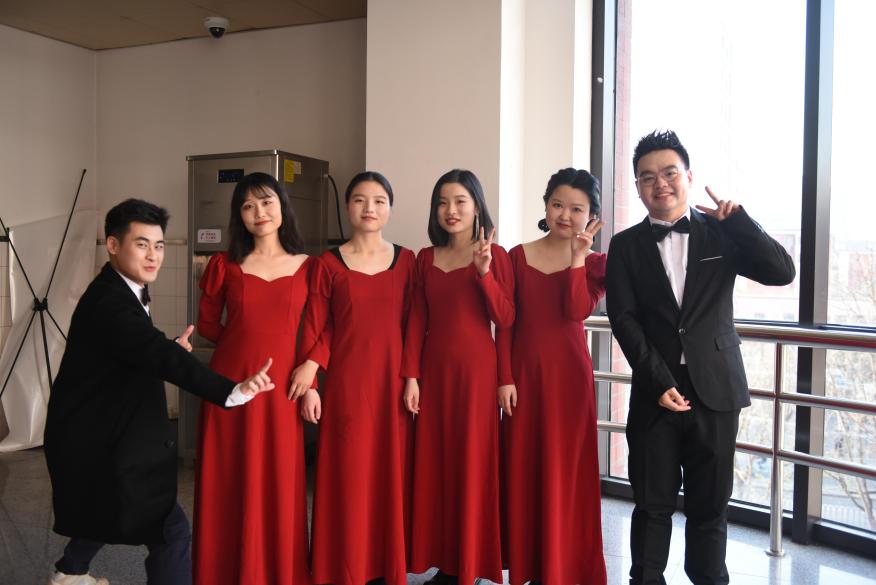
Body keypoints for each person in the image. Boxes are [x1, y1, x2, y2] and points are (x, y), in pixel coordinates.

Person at [44, 198, 274, 585]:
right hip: (99, 441)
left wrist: (168, 349)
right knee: (171, 531)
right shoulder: (110, 301)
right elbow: (151, 350)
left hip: (104, 434)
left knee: (111, 507)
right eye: (142, 245)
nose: (153, 256)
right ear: (113, 245)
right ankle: (69, 573)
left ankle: (69, 572)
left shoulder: (123, 288)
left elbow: (137, 349)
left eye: (159, 245)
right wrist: (231, 390)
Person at [605, 130, 796, 585]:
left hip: (716, 390)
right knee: (651, 506)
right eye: (647, 177)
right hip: (655, 392)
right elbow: (624, 319)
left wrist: (740, 221)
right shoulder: (625, 245)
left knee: (710, 508)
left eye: (669, 173)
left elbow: (782, 271)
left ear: (688, 177)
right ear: (638, 187)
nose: (660, 183)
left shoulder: (722, 234)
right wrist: (657, 380)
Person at [290, 171, 415, 585]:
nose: (369, 208)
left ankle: (382, 568)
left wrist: (412, 376)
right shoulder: (327, 264)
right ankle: (343, 568)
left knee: (388, 476)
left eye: (379, 201)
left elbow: (415, 324)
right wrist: (311, 382)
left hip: (393, 385)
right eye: (360, 200)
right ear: (347, 207)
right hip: (346, 385)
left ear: (390, 209)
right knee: (348, 475)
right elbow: (318, 325)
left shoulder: (407, 261)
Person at [192, 173, 312, 585]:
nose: (258, 212)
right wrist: (242, 351)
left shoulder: (310, 267)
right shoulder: (224, 264)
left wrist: (310, 369)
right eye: (247, 206)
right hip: (229, 387)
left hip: (282, 389)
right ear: (238, 216)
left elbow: (321, 328)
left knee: (278, 480)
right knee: (228, 481)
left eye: (266, 201)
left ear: (282, 206)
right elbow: (208, 323)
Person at [401, 169, 513, 585]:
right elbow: (417, 320)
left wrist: (484, 273)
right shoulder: (424, 258)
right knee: (437, 467)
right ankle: (445, 563)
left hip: (477, 375)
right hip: (434, 373)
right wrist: (410, 375)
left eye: (460, 201)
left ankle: (469, 564)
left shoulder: (495, 255)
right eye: (443, 202)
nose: (451, 210)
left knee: (472, 465)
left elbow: (506, 318)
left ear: (477, 206)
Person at [497, 168, 608, 585]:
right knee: (524, 468)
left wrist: (578, 258)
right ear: (545, 206)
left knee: (566, 472)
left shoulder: (595, 264)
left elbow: (576, 310)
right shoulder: (516, 256)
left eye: (577, 209)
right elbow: (506, 323)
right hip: (524, 377)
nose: (565, 215)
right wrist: (504, 377)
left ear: (591, 215)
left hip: (570, 382)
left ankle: (564, 568)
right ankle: (529, 565)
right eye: (558, 204)